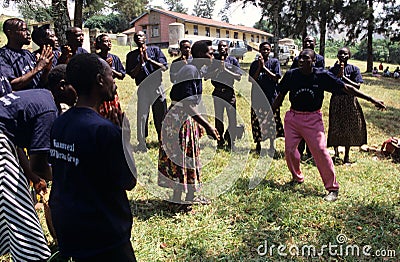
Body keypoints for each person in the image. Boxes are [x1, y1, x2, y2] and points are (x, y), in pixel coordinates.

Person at [49, 54, 137, 261]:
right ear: (99, 80)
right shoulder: (104, 131)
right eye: (110, 75)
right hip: (104, 233)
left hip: (71, 225)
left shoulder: (61, 122)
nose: (113, 80)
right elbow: (129, 181)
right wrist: (125, 139)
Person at [272, 49, 386, 201]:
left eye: (305, 58)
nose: (301, 60)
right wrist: (269, 114)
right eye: (300, 58)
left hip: (313, 119)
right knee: (290, 151)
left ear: (313, 61)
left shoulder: (321, 75)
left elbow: (347, 88)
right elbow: (280, 95)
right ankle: (297, 177)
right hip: (293, 118)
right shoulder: (292, 75)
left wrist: (372, 99)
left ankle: (332, 188)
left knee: (320, 150)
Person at [158, 40, 220, 209]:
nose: (213, 56)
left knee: (187, 157)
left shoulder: (195, 69)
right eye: (210, 53)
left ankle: (187, 197)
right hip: (180, 119)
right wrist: (208, 126)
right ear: (200, 55)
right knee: (181, 158)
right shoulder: (191, 70)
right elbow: (187, 104)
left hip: (185, 119)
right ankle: (179, 200)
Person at [0, 88, 57, 261]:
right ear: (63, 86)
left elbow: (17, 146)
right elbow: (39, 163)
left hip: (6, 142)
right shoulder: (49, 109)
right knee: (19, 210)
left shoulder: (41, 95)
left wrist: (33, 178)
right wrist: (65, 179)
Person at [126, 31, 168, 152]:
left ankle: (163, 140)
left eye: (141, 36)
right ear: (134, 40)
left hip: (157, 86)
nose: (138, 38)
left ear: (145, 38)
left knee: (161, 114)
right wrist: (140, 62)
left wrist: (149, 59)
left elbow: (164, 67)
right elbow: (132, 74)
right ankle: (142, 143)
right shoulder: (131, 55)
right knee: (142, 115)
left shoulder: (155, 50)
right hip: (143, 88)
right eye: (136, 37)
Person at [327, 47, 367, 164]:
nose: (343, 56)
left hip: (350, 101)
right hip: (336, 100)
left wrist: (343, 77)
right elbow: (329, 85)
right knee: (336, 125)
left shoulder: (354, 69)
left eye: (345, 54)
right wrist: (337, 75)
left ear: (349, 55)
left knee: (349, 127)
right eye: (340, 53)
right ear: (337, 55)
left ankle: (347, 156)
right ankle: (336, 152)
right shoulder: (332, 69)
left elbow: (357, 86)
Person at [291, 36, 325, 161]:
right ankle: (299, 152)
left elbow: (320, 75)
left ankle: (311, 154)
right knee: (300, 128)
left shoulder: (320, 59)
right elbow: (292, 75)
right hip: (299, 95)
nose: (308, 43)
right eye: (306, 41)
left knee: (312, 130)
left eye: (311, 41)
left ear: (315, 44)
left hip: (314, 95)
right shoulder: (297, 59)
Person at [0, 18, 54, 91]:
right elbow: (12, 85)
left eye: (27, 30)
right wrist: (38, 68)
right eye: (23, 30)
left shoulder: (27, 53)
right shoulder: (3, 55)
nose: (28, 33)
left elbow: (40, 82)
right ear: (10, 33)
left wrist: (46, 69)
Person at [249, 41, 283, 153]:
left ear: (270, 51)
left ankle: (272, 145)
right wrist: (259, 67)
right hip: (257, 97)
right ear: (259, 50)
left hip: (271, 97)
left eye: (267, 49)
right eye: (263, 49)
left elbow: (276, 77)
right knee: (257, 120)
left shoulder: (274, 62)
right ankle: (258, 144)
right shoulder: (254, 64)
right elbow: (251, 80)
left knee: (272, 121)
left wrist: (264, 67)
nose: (265, 51)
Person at [209, 40, 242, 150]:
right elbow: (206, 76)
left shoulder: (232, 60)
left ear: (228, 48)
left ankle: (231, 141)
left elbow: (238, 77)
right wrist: (218, 69)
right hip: (217, 92)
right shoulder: (214, 61)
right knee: (219, 118)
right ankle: (220, 141)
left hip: (229, 92)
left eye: (224, 46)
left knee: (232, 118)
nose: (222, 48)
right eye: (220, 46)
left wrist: (225, 70)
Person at [95, 33, 126, 117]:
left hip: (112, 91)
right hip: (100, 92)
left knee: (114, 114)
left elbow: (122, 75)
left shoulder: (114, 58)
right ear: (99, 44)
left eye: (110, 41)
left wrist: (111, 70)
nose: (109, 43)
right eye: (105, 41)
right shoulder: (95, 58)